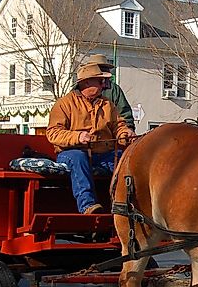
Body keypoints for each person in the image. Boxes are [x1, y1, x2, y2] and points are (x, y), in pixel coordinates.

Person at [46, 61, 134, 214]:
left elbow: (118, 127)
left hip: (102, 154)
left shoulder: (108, 105)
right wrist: (78, 136)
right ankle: (87, 205)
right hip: (70, 152)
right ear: (86, 83)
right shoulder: (64, 104)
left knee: (125, 159)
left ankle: (128, 205)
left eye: (105, 81)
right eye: (101, 81)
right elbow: (53, 132)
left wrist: (124, 134)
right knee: (78, 157)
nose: (105, 85)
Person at [82, 53, 135, 131]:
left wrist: (127, 132)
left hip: (110, 137)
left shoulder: (114, 90)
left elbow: (125, 115)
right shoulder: (78, 91)